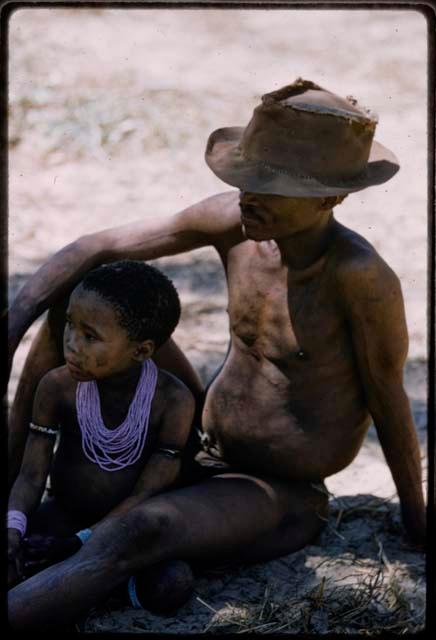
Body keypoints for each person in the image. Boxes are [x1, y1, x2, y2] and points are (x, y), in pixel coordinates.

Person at [7, 78, 426, 630]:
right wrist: (9, 330)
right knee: (81, 298)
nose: (249, 196)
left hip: (277, 488)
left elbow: (388, 395)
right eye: (247, 179)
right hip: (197, 441)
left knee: (140, 533)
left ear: (332, 195)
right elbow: (96, 246)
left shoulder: (359, 276)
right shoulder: (238, 221)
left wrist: (416, 521)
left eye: (272, 187)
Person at [8, 260, 196, 611]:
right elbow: (32, 476)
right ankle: (81, 581)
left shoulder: (172, 402)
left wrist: (85, 540)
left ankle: (83, 580)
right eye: (69, 325)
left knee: (174, 582)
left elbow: (148, 493)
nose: (72, 345)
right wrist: (13, 529)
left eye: (89, 336)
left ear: (141, 350)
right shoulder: (57, 387)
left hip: (125, 530)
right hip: (63, 515)